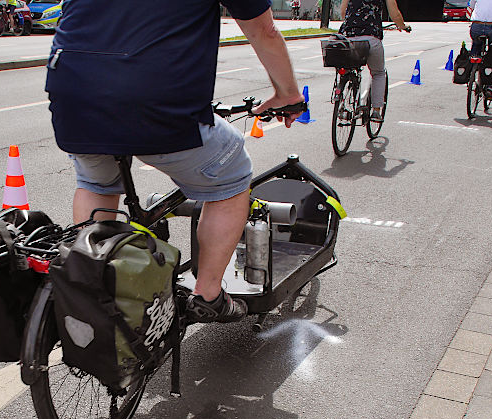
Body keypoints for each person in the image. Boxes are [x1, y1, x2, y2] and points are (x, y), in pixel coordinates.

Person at [45, 1, 305, 324]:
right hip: (153, 101)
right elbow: (264, 30)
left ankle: (92, 288)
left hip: (72, 94)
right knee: (233, 176)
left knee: (96, 183)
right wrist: (288, 93)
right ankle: (209, 294)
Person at [338, 0, 409, 122]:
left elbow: (343, 11)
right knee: (378, 73)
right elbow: (395, 14)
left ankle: (342, 101)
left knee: (348, 69)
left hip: (349, 38)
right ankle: (376, 111)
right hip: (371, 39)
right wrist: (402, 25)